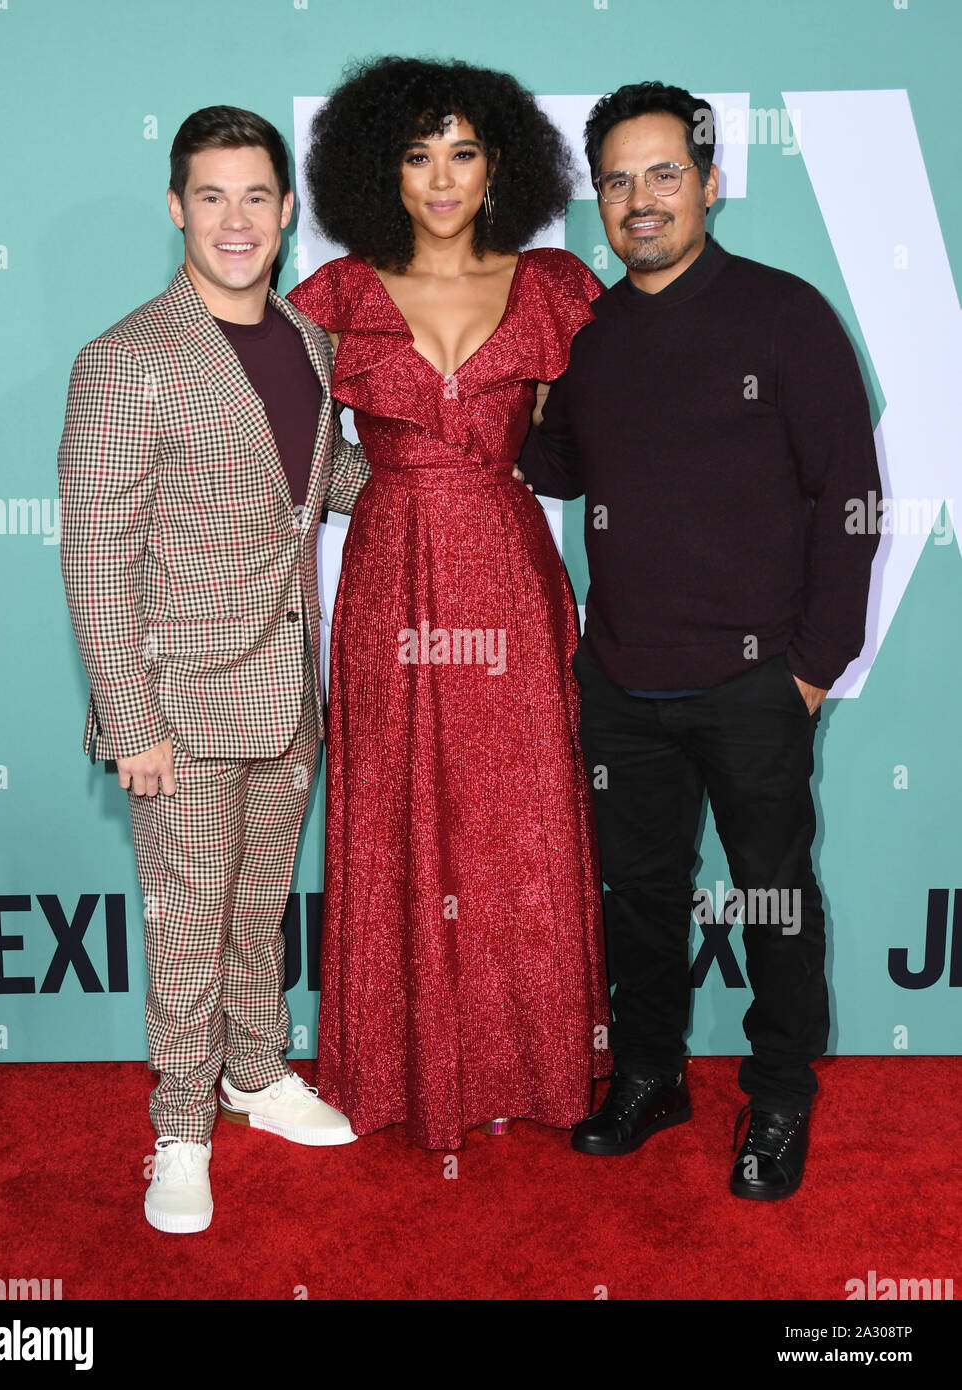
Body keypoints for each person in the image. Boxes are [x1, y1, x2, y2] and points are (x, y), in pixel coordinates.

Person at [519, 81, 881, 1200]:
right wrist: (512, 378)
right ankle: (649, 1074)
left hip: (755, 682)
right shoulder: (587, 333)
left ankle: (778, 1098)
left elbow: (850, 494)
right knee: (637, 896)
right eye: (618, 181)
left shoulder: (786, 314)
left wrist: (813, 668)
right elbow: (560, 470)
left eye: (664, 174)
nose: (640, 200)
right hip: (623, 677)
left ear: (711, 183)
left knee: (773, 896)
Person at [288, 57, 611, 1151]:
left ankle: (538, 1055)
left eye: (463, 152)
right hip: (389, 580)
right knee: (397, 813)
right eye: (418, 153)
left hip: (511, 580)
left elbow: (618, 438)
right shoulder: (334, 299)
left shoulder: (560, 286)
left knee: (519, 816)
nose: (441, 177)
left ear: (500, 165)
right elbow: (275, 458)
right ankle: (399, 1069)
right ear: (381, 168)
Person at [58, 106, 371, 1233]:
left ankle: (254, 1070)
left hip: (289, 688)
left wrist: (441, 470)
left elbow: (325, 484)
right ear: (176, 207)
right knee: (188, 921)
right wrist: (130, 719)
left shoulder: (310, 341)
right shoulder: (126, 358)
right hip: (178, 703)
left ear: (289, 214)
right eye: (210, 196)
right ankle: (181, 1127)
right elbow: (97, 554)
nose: (235, 220)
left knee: (255, 905)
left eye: (256, 198)